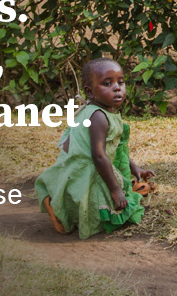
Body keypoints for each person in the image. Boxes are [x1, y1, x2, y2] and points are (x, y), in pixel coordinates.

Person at [36, 58, 153, 238]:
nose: (117, 88)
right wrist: (115, 190)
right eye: (107, 83)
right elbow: (99, 156)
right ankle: (61, 211)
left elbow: (112, 148)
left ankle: (62, 203)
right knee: (118, 211)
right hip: (88, 172)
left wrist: (134, 167)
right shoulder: (98, 116)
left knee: (122, 195)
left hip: (86, 168)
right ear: (89, 92)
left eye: (120, 82)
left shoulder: (102, 110)